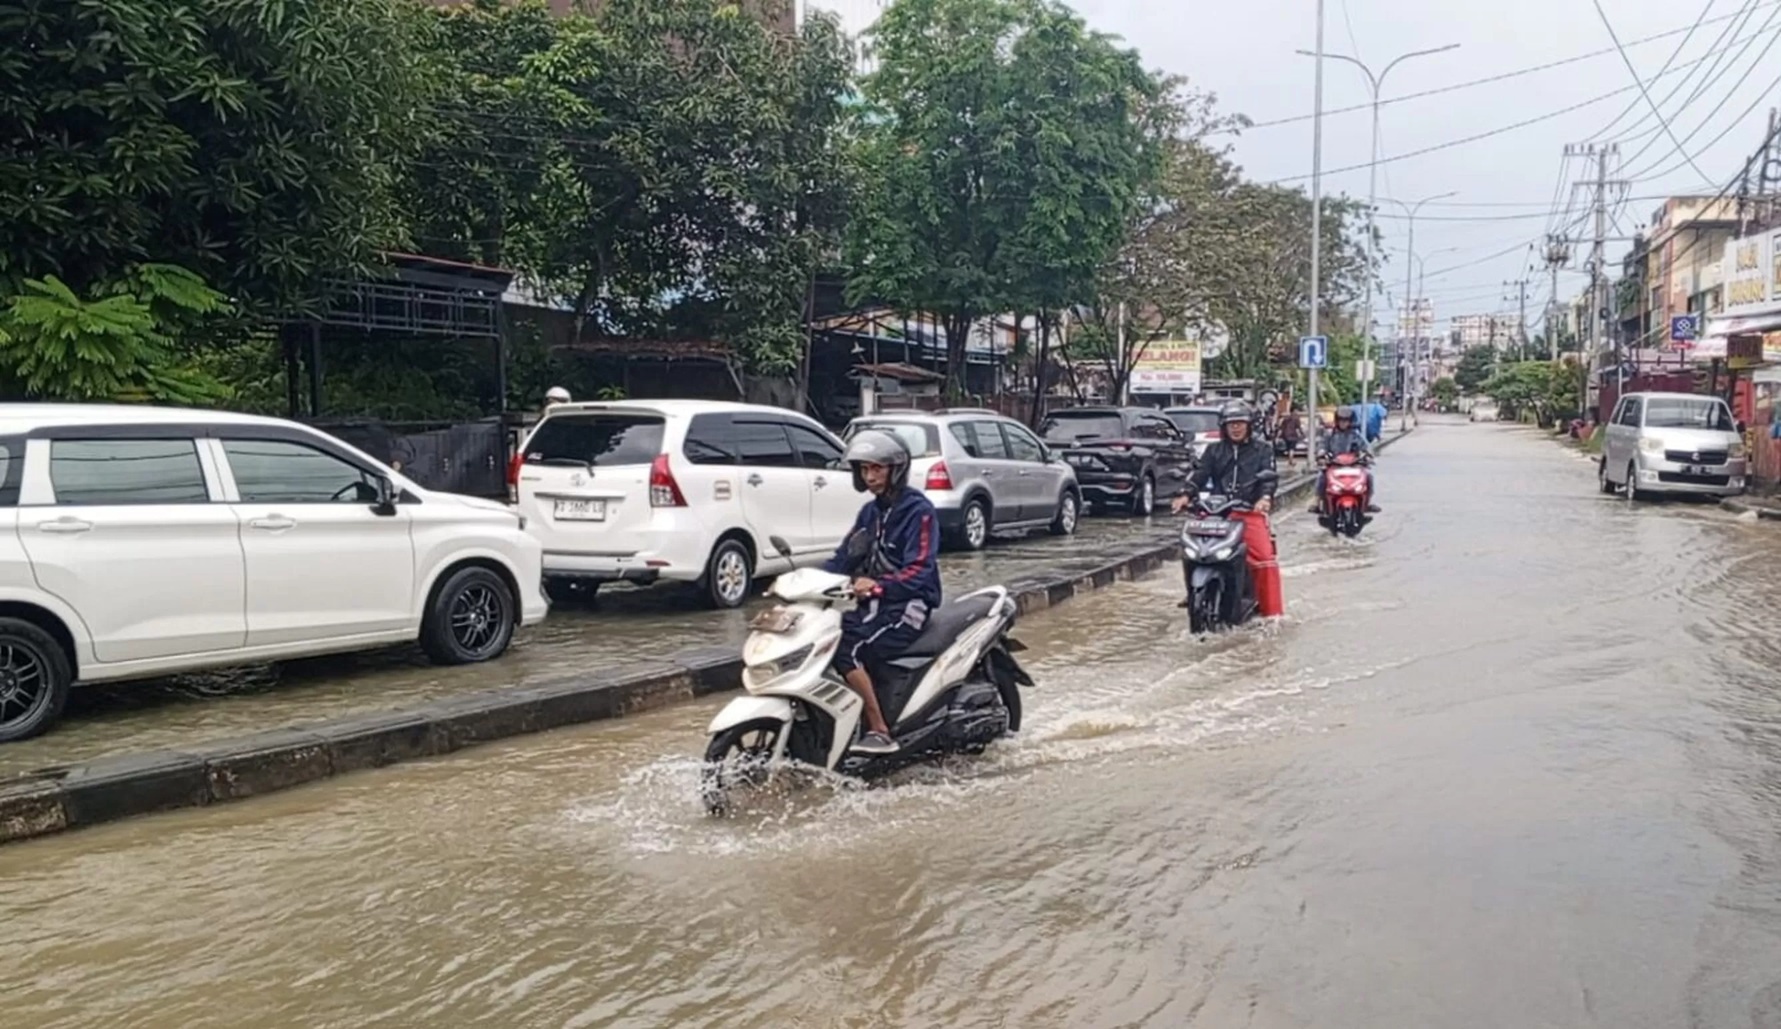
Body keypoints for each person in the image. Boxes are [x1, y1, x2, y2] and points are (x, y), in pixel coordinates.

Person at [822, 430, 943, 755]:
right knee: (825, 636)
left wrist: (878, 585)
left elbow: (920, 569)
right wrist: (801, 581)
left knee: (850, 648)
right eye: (864, 470)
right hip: (873, 603)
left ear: (895, 469)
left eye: (877, 468)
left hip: (909, 605)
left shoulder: (919, 511)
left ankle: (878, 728)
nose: (870, 476)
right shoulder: (870, 513)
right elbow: (843, 559)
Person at [1169, 401, 1284, 618]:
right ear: (1224, 427)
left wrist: (1264, 498)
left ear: (1250, 425)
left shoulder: (1263, 450)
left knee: (1265, 560)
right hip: (1215, 513)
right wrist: (1185, 495)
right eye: (1231, 424)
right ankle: (1193, 592)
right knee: (1190, 551)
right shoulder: (1214, 450)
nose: (1236, 428)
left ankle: (1272, 614)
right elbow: (1200, 475)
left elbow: (1269, 478)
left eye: (1240, 423)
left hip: (1249, 511)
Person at [1312, 406, 1378, 513]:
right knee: (1322, 477)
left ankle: (1368, 502)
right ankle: (1316, 502)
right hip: (1334, 464)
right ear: (1337, 421)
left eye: (1346, 421)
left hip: (1353, 465)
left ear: (1350, 422)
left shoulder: (1355, 435)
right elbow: (1322, 446)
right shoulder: (1330, 435)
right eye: (1341, 421)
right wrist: (1321, 455)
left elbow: (1365, 446)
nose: (1343, 423)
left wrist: (1368, 455)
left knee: (1368, 476)